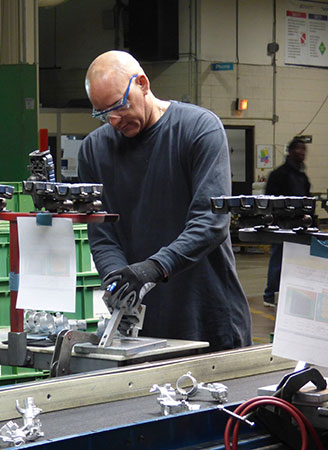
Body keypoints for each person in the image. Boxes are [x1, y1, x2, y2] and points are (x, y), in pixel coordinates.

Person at [78, 50, 252, 351]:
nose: (114, 119)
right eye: (103, 113)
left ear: (143, 84)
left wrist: (150, 270)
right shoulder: (94, 149)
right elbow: (102, 235)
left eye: (120, 105)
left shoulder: (199, 129)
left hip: (208, 317)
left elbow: (210, 223)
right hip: (141, 325)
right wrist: (118, 281)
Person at [263, 138, 311, 307]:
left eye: (304, 150)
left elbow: (307, 199)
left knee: (296, 261)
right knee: (278, 260)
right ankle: (270, 295)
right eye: (298, 149)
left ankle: (289, 293)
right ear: (290, 152)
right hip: (282, 224)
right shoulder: (279, 175)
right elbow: (270, 199)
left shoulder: (302, 177)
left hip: (299, 225)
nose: (302, 153)